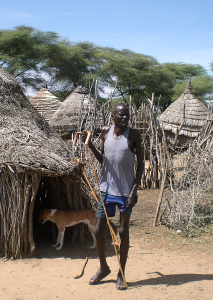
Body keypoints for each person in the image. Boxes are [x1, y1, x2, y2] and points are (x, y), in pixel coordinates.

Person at [81, 103, 144, 290]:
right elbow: (104, 161)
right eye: (121, 115)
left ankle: (121, 273)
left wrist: (134, 190)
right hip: (106, 189)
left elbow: (141, 164)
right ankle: (103, 268)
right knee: (99, 230)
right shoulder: (105, 132)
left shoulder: (134, 135)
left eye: (127, 115)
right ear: (113, 116)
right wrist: (90, 144)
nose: (125, 118)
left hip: (125, 191)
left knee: (124, 232)